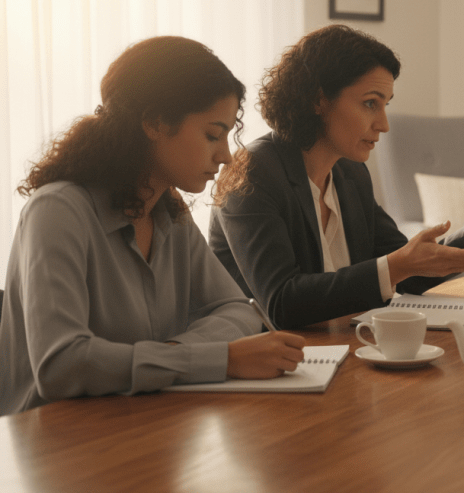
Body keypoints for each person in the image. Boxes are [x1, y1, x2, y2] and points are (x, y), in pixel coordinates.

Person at [0, 36, 306, 416]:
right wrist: (217, 359)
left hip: (144, 423)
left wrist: (174, 358)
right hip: (50, 441)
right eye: (212, 134)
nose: (226, 156)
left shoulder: (168, 209)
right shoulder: (58, 211)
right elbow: (62, 365)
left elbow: (237, 309)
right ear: (154, 122)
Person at [210, 25, 464, 330]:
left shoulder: (349, 173)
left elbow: (406, 263)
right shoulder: (252, 174)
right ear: (318, 99)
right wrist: (395, 267)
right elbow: (283, 303)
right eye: (369, 104)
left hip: (345, 347)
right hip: (273, 368)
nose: (384, 124)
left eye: (385, 104)